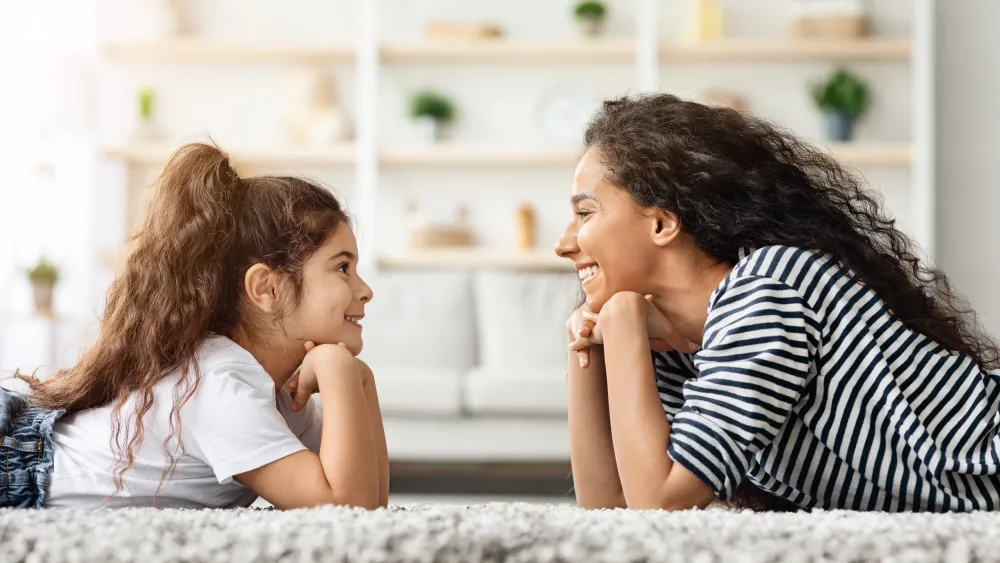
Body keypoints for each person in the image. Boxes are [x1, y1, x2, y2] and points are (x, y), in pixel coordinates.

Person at [556, 93, 1000, 512]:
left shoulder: (766, 288)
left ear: (661, 223)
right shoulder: (675, 352)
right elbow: (609, 506)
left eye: (585, 213)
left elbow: (660, 501)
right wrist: (591, 348)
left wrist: (622, 317)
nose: (563, 244)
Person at [0, 143, 388, 509]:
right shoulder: (219, 386)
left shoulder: (282, 397)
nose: (365, 290)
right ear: (267, 288)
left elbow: (368, 499)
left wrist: (360, 379)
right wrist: (338, 368)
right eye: (342, 268)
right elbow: (343, 505)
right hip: (15, 461)